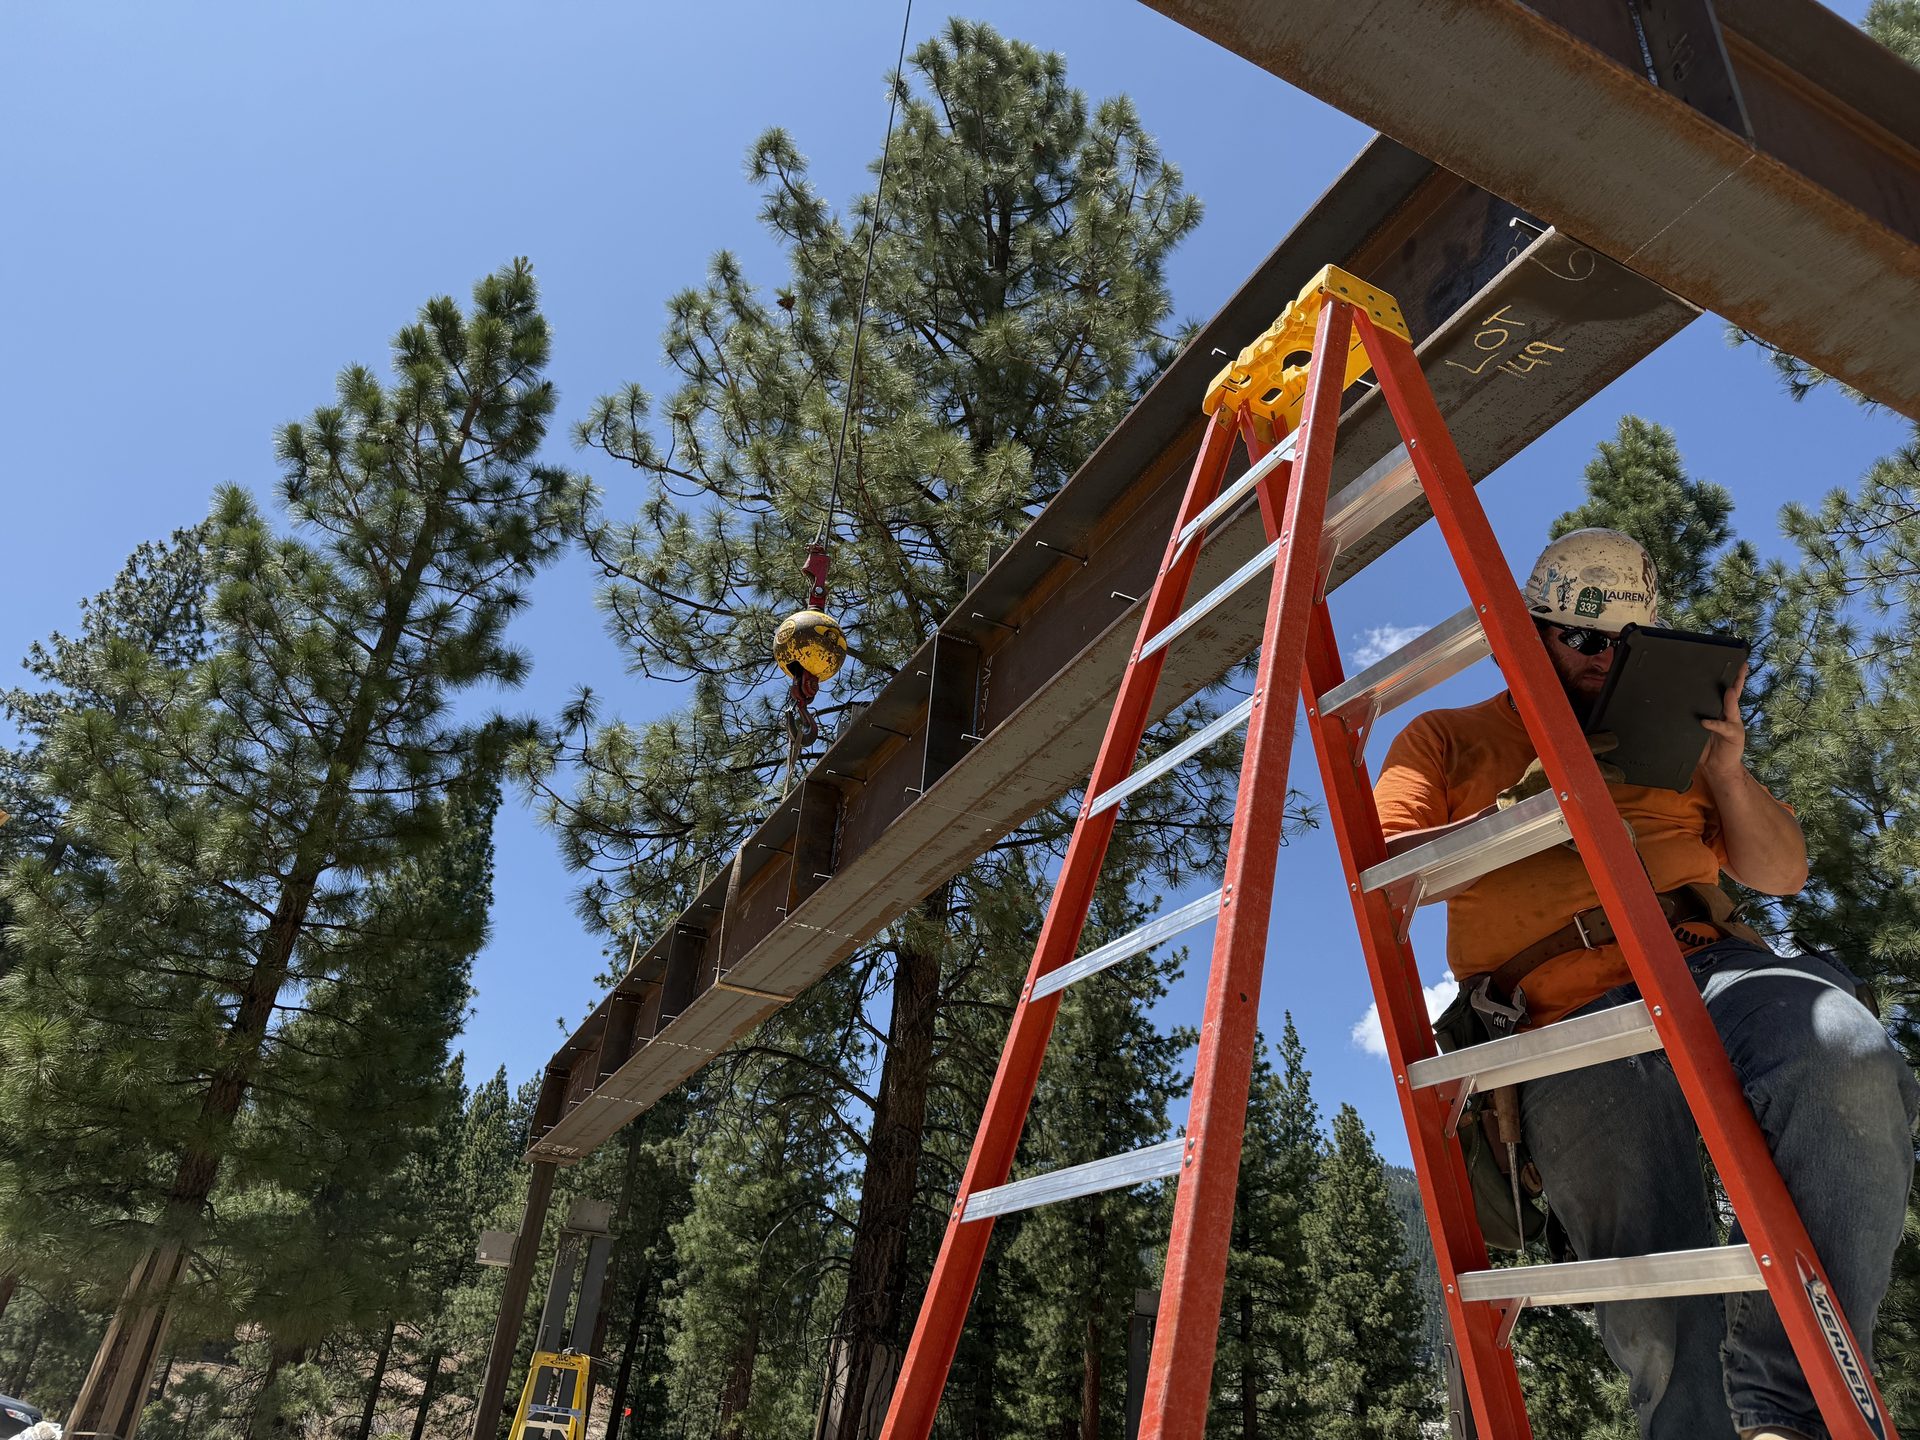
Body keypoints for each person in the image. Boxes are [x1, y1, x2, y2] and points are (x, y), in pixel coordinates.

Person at [1372, 527, 1917, 1440]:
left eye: (1627, 647)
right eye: (1583, 640)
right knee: (1656, 1285)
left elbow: (1782, 873)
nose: (1602, 662)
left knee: (1848, 1056)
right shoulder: (1451, 739)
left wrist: (1728, 773)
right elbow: (1389, 874)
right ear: (1528, 634)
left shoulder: (1679, 750)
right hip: (1561, 1011)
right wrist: (1539, 805)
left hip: (1709, 963)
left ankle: (1790, 1411)